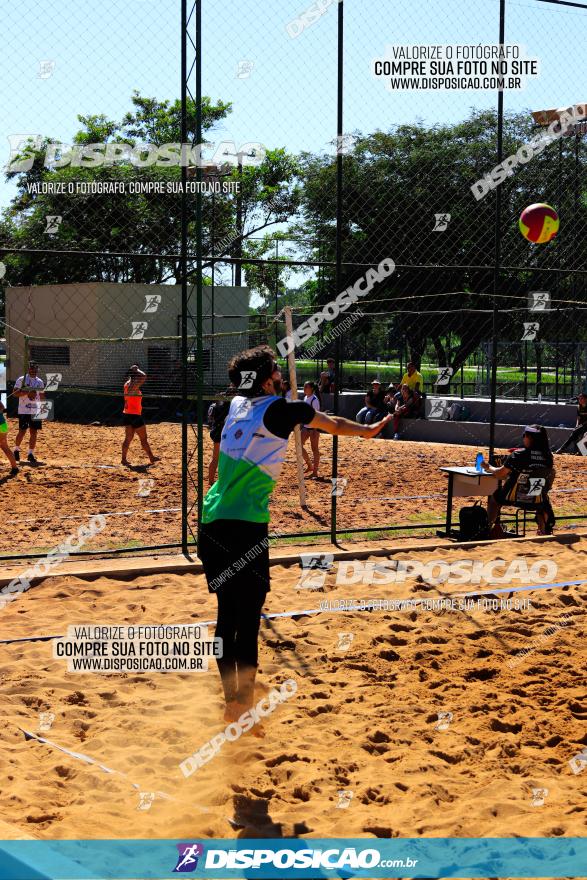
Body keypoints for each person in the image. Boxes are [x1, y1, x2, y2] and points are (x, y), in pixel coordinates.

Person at [198, 345, 392, 727]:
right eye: (276, 373)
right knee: (248, 620)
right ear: (269, 378)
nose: (282, 378)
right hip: (245, 526)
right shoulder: (283, 410)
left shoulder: (228, 408)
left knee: (227, 616)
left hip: (213, 521)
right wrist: (367, 431)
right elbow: (332, 423)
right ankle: (242, 706)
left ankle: (231, 701)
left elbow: (217, 458)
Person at [481, 425, 555, 536]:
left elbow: (500, 473)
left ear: (530, 438)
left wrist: (488, 467)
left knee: (494, 499)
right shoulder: (548, 457)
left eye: (524, 435)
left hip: (513, 498)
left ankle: (487, 528)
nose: (523, 438)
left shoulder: (519, 455)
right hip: (535, 498)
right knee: (543, 501)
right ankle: (543, 531)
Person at [121, 365, 159, 467]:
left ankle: (123, 459)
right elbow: (144, 376)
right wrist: (137, 370)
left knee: (128, 438)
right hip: (135, 415)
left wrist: (132, 371)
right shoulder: (134, 386)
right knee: (143, 439)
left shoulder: (127, 384)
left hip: (127, 413)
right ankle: (151, 457)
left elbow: (132, 377)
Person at [12, 361, 45, 466]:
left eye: (35, 369)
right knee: (22, 431)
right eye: (31, 369)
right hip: (24, 410)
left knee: (34, 432)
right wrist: (27, 392)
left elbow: (43, 396)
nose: (33, 371)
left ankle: (30, 453)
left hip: (35, 410)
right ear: (28, 369)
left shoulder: (39, 382)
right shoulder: (21, 380)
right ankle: (16, 450)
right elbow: (15, 393)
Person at [207, 386, 234, 484]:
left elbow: (210, 419)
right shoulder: (231, 405)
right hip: (225, 434)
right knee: (226, 460)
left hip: (216, 432)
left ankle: (210, 481)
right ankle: (224, 481)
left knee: (215, 458)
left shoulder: (216, 404)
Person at [301, 381, 321, 477]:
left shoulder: (314, 400)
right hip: (306, 427)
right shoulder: (306, 398)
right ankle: (309, 465)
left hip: (313, 428)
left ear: (312, 389)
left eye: (306, 387)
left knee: (314, 449)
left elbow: (317, 415)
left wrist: (315, 429)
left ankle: (315, 472)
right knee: (298, 446)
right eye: (304, 387)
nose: (304, 388)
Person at [0, 401, 18, 476]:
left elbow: (2, 408)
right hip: (3, 425)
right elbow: (2, 407)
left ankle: (15, 468)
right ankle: (15, 468)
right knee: (5, 447)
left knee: (4, 447)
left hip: (1, 425)